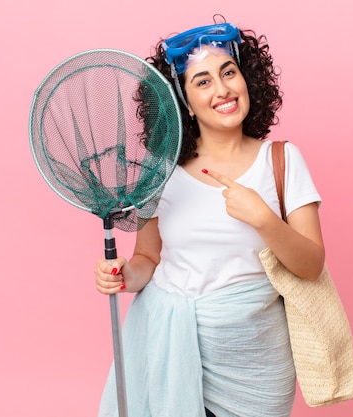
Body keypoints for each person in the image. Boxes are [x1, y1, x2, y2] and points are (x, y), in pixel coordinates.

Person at [95, 17, 325, 417]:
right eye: (202, 81)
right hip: (165, 353)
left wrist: (264, 219)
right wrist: (124, 276)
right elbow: (147, 258)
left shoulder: (283, 160)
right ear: (180, 99)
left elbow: (311, 266)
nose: (222, 90)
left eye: (229, 72)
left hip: (256, 368)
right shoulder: (161, 171)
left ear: (247, 78)